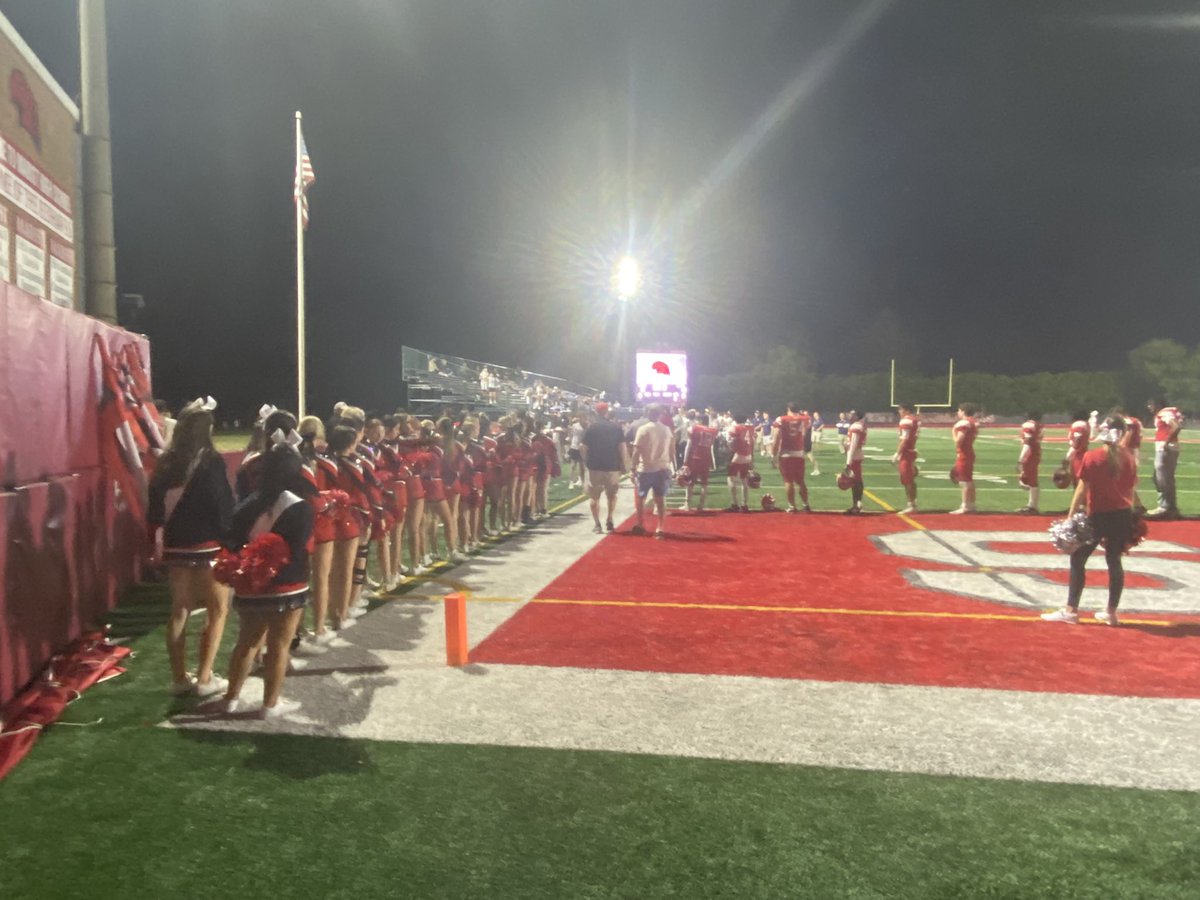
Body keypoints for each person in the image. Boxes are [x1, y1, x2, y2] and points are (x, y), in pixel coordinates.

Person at [220, 442, 315, 717]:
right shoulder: (300, 507)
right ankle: (270, 704)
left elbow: (231, 541)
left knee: (247, 641)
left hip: (251, 586)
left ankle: (230, 698)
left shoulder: (248, 503)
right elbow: (299, 548)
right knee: (279, 645)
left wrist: (251, 564)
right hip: (287, 586)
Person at [147, 398, 234, 697]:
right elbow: (221, 503)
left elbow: (154, 508)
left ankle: (179, 679)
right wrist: (229, 537)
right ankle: (205, 678)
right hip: (208, 545)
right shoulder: (211, 461)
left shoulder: (166, 462)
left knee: (179, 610)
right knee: (218, 609)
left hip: (176, 546)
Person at [1042, 415, 1138, 627]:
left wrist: (1070, 516)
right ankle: (1111, 613)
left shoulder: (1093, 456)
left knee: (1078, 559)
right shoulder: (1129, 457)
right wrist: (1133, 512)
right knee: (1114, 561)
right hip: (1122, 514)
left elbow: (1082, 489)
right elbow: (1131, 489)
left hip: (1098, 515)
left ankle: (1071, 611)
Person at [580, 401, 627, 533]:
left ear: (596, 412)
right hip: (612, 466)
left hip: (595, 466)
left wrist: (586, 461)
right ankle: (610, 518)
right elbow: (622, 448)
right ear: (607, 412)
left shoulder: (591, 428)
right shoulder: (616, 427)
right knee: (612, 495)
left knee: (594, 497)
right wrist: (623, 463)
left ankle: (597, 524)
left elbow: (583, 447)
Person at [630, 404, 674, 538]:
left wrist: (632, 468)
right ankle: (660, 527)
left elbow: (636, 451)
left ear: (648, 413)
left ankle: (640, 524)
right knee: (660, 499)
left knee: (641, 498)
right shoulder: (666, 429)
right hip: (662, 467)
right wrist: (670, 465)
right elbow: (672, 450)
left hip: (646, 468)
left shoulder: (643, 429)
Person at [1147, 397, 1183, 520]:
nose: (1149, 407)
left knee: (1162, 478)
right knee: (1165, 478)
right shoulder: (1168, 412)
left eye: (1151, 404)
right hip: (1170, 448)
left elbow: (1176, 426)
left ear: (1157, 404)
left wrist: (1166, 442)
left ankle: (1165, 506)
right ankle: (1171, 507)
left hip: (1165, 448)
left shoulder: (1164, 413)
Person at [771, 402, 811, 513]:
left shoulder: (781, 419)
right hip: (799, 452)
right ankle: (806, 505)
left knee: (788, 481)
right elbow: (806, 429)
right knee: (801, 481)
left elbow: (776, 437)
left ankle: (792, 506)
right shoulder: (805, 419)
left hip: (786, 453)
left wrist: (773, 455)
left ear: (788, 408)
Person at [681, 413, 718, 511]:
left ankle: (687, 505)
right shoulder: (712, 431)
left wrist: (685, 461)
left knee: (690, 482)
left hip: (695, 458)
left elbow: (688, 445)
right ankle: (701, 505)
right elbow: (711, 446)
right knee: (704, 484)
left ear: (700, 421)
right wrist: (713, 462)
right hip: (706, 458)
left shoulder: (695, 428)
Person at [949, 402, 979, 514]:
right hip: (968, 452)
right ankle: (971, 504)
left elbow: (958, 441)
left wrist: (953, 432)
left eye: (959, 410)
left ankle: (965, 506)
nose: (958, 412)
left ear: (963, 411)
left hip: (964, 454)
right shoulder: (972, 422)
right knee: (969, 480)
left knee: (964, 481)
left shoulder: (964, 423)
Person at [893, 403, 920, 514]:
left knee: (907, 479)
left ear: (907, 410)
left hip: (906, 453)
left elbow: (904, 439)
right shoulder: (914, 420)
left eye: (901, 409)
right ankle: (913, 502)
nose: (899, 412)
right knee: (909, 480)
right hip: (911, 451)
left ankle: (911, 504)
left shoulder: (906, 421)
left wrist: (897, 453)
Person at [726, 415, 757, 512]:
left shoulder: (734, 428)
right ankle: (744, 504)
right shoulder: (750, 428)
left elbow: (730, 443)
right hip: (748, 455)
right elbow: (753, 442)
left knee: (731, 478)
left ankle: (734, 503)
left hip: (737, 454)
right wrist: (752, 457)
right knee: (744, 479)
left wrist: (731, 452)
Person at [1016, 411, 1043, 514]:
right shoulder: (1038, 425)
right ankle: (1032, 505)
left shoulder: (1028, 425)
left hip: (1030, 454)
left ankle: (1033, 506)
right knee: (1032, 480)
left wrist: (1021, 458)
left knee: (1029, 480)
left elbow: (1027, 442)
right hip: (1036, 453)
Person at [843, 409, 867, 514]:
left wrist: (848, 463)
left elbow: (853, 446)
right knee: (856, 481)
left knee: (856, 482)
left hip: (854, 457)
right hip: (857, 455)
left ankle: (857, 505)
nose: (849, 416)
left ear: (857, 416)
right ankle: (856, 505)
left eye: (852, 414)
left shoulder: (856, 426)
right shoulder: (860, 425)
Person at [1065, 410, 1090, 482]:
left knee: (1077, 477)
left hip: (1078, 454)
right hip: (1082, 452)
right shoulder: (1085, 424)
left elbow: (1077, 439)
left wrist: (1069, 453)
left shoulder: (1078, 425)